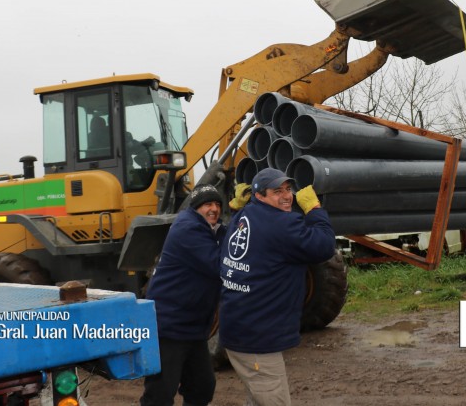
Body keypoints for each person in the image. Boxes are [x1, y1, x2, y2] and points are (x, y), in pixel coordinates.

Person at [219, 168, 336, 406]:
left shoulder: (243, 218)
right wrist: (314, 210)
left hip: (238, 330)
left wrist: (240, 208)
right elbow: (323, 246)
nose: (286, 196)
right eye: (276, 191)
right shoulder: (281, 224)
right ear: (259, 196)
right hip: (258, 340)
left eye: (288, 189)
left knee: (257, 399)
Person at [140, 184, 226, 406]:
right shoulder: (188, 228)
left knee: (202, 387)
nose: (214, 209)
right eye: (208, 204)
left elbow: (222, 237)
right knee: (159, 394)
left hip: (192, 328)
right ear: (196, 207)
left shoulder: (205, 228)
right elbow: (218, 264)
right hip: (169, 327)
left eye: (218, 204)